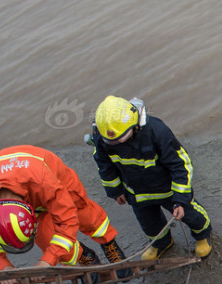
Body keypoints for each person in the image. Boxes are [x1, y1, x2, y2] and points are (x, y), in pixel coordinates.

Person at [0, 145, 129, 283]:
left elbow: (67, 221)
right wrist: (2, 264)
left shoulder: (43, 181)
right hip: (28, 183)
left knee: (84, 214)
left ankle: (109, 244)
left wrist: (47, 261)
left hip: (52, 176)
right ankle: (85, 256)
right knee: (45, 237)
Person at [90, 95, 213, 261]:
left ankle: (202, 235)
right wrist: (115, 190)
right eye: (111, 141)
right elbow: (104, 165)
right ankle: (162, 243)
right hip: (136, 192)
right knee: (150, 224)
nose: (117, 143)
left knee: (190, 215)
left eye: (122, 138)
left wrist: (180, 200)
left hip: (167, 189)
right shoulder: (102, 135)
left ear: (135, 125)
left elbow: (180, 165)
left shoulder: (157, 132)